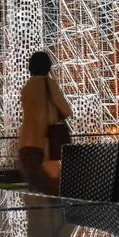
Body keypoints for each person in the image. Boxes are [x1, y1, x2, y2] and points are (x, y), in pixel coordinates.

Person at [17, 51, 73, 195]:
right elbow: (66, 111)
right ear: (48, 66)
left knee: (36, 193)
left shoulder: (26, 88)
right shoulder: (48, 84)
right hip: (44, 146)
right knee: (53, 192)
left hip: (25, 147)